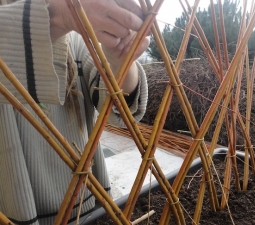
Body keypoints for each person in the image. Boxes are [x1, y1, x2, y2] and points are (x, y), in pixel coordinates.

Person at [0, 0, 150, 224]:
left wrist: (121, 63)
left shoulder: (77, 41)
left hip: (85, 204)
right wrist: (60, 15)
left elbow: (118, 108)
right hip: (12, 205)